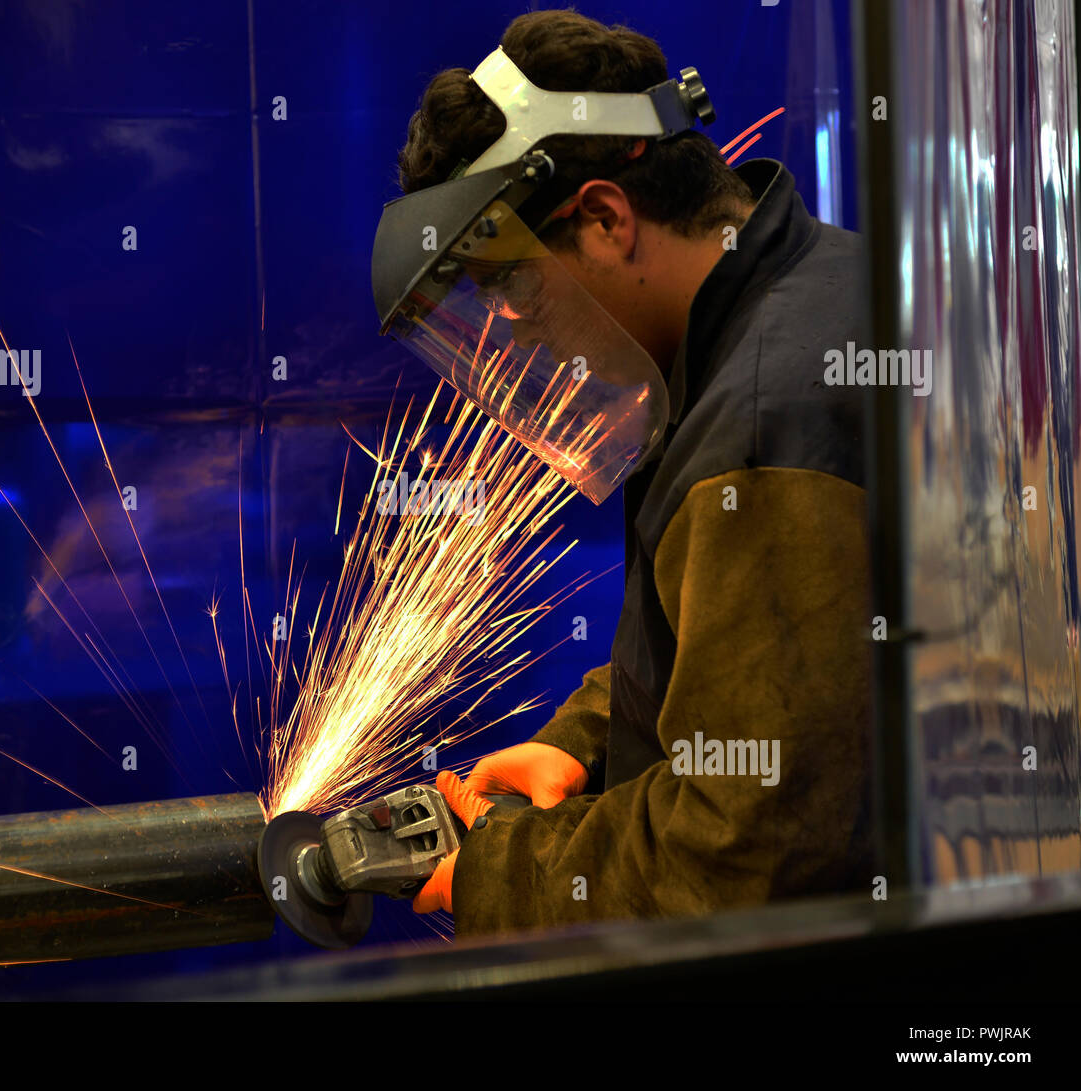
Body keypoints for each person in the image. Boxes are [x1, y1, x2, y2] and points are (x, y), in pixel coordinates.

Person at [374, 10, 874, 935]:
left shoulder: (761, 428)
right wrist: (583, 745)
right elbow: (759, 661)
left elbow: (737, 859)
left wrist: (501, 870)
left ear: (604, 219)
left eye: (514, 286)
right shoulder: (811, 290)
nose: (515, 328)